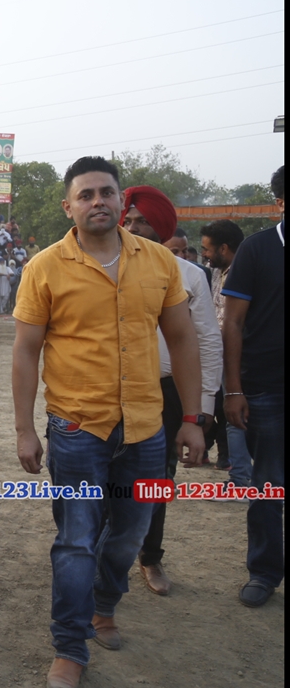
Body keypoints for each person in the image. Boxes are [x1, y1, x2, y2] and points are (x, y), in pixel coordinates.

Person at [12, 156, 204, 688]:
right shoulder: (45, 268)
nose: (98, 201)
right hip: (76, 429)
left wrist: (193, 419)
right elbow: (26, 351)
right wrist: (25, 430)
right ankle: (70, 647)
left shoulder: (159, 262)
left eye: (107, 192)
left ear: (122, 201)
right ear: (68, 206)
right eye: (86, 194)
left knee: (128, 537)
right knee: (76, 542)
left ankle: (103, 605)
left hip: (146, 428)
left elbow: (182, 339)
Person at [121, 186, 221, 596]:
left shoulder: (189, 275)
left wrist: (203, 407)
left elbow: (207, 342)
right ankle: (97, 558)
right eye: (129, 220)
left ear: (161, 227)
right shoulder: (105, 266)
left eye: (143, 221)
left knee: (159, 476)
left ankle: (150, 556)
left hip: (168, 392)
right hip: (113, 388)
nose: (133, 228)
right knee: (104, 473)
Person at [221, 165, 284, 609]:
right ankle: (263, 572)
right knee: (268, 485)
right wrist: (233, 389)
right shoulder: (257, 249)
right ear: (280, 202)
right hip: (267, 388)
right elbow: (233, 324)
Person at [200, 219, 248, 481]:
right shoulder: (217, 272)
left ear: (224, 248)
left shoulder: (246, 272)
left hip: (238, 356)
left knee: (234, 415)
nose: (204, 254)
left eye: (207, 249)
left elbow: (234, 322)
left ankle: (241, 478)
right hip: (217, 354)